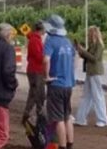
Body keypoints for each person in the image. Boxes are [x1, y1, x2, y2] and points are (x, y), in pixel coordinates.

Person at [43, 15, 76, 149]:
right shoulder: (67, 42)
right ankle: (70, 144)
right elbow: (75, 58)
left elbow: (46, 59)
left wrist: (47, 76)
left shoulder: (51, 41)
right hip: (68, 84)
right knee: (67, 116)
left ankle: (61, 146)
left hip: (56, 84)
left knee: (58, 119)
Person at [73, 26, 107, 128]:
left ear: (94, 34)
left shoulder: (99, 45)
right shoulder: (93, 45)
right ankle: (80, 119)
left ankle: (102, 119)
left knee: (97, 96)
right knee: (86, 96)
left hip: (95, 72)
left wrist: (83, 51)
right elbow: (87, 56)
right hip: (90, 72)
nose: (88, 35)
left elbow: (94, 58)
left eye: (89, 33)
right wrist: (80, 50)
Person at [22, 21, 46, 125]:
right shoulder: (35, 40)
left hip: (35, 69)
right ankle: (32, 114)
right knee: (37, 93)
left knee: (37, 92)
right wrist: (47, 57)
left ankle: (34, 113)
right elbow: (38, 56)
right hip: (36, 70)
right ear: (41, 29)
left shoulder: (34, 38)